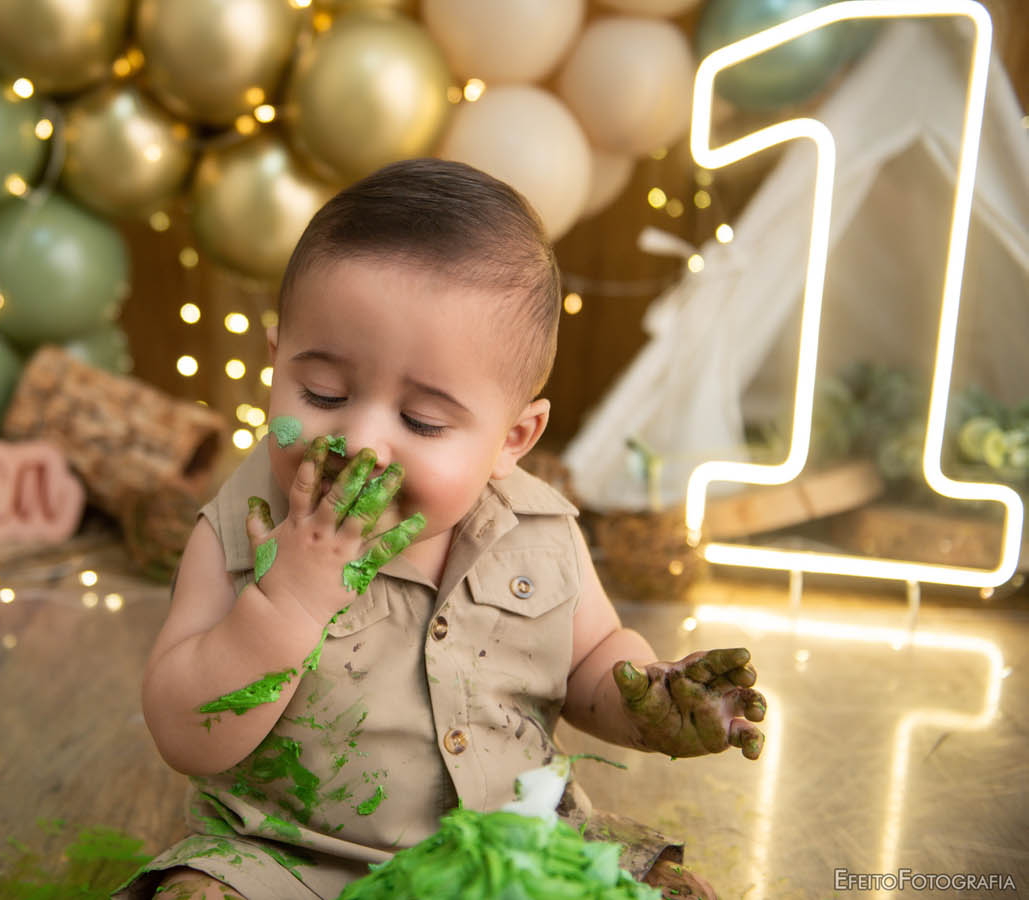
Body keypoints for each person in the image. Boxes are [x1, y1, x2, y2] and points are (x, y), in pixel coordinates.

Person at [117, 159, 765, 900]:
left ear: (513, 437)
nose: (359, 439)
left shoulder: (539, 531)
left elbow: (590, 663)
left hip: (511, 844)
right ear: (274, 361)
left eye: (421, 420)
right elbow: (181, 731)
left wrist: (652, 700)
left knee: (673, 889)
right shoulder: (241, 527)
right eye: (320, 392)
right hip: (292, 861)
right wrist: (288, 600)